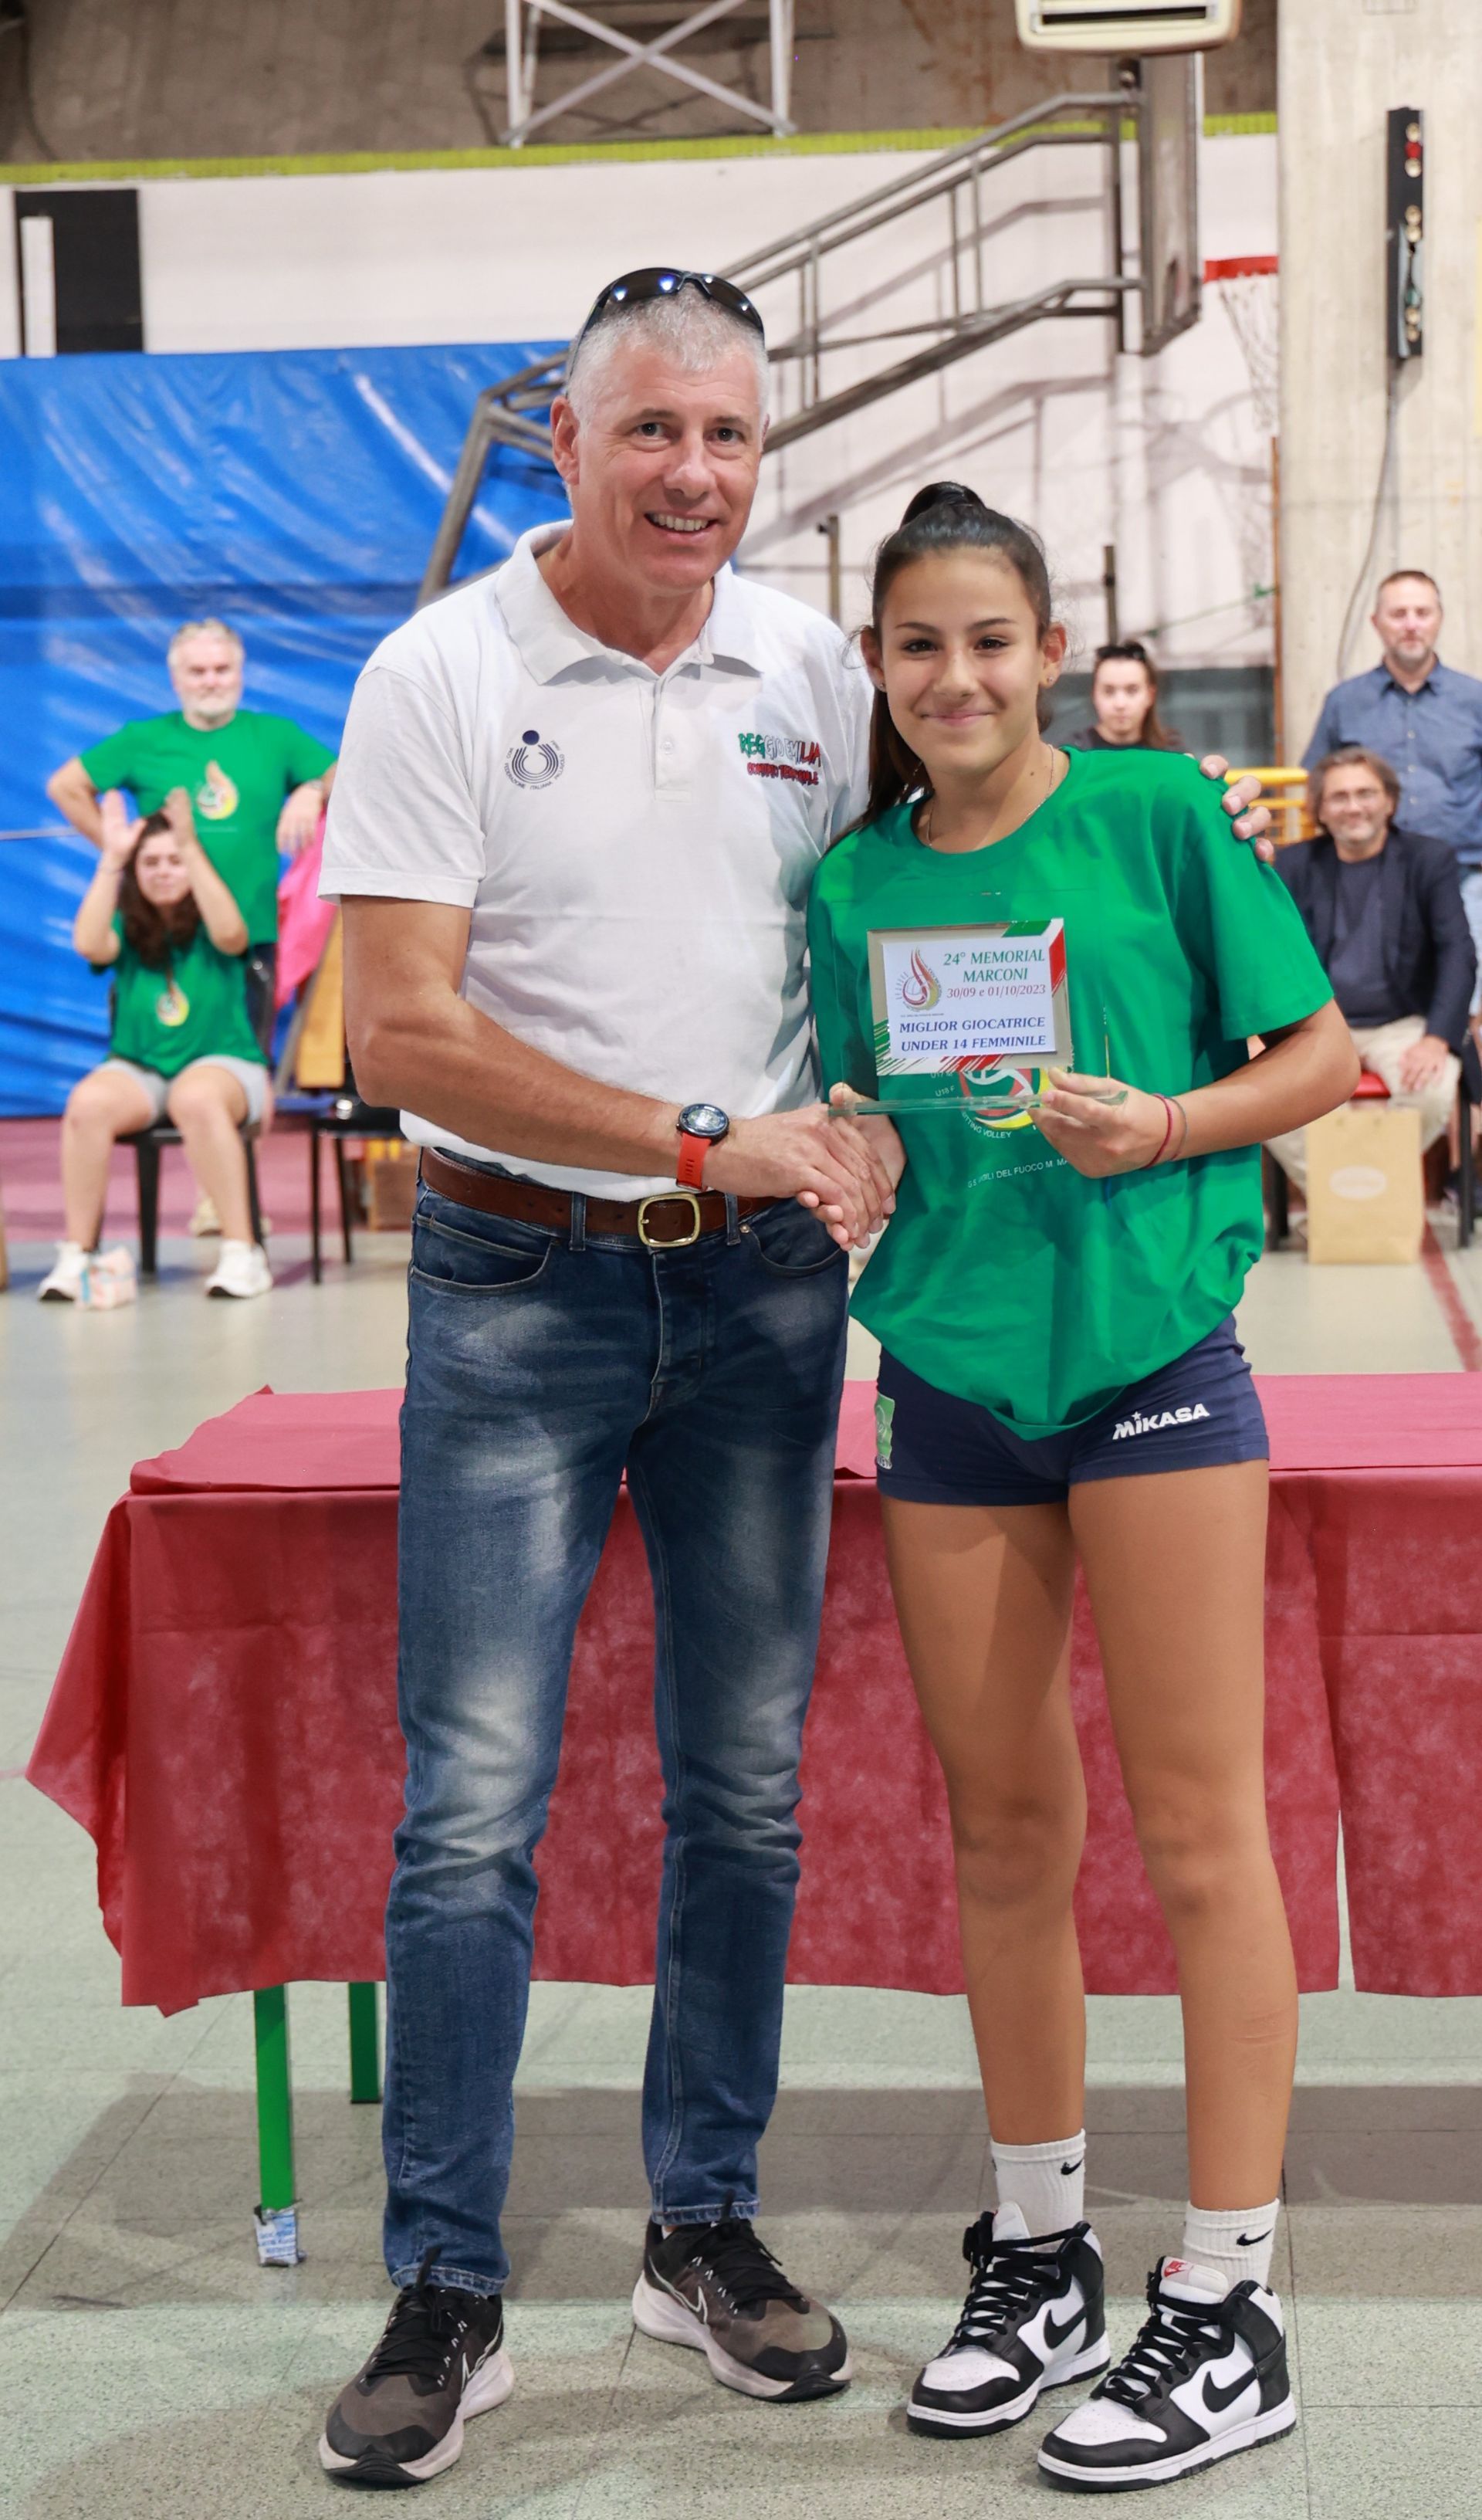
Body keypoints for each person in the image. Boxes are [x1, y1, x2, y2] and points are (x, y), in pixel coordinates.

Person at [312, 268, 1278, 2491]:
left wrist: (1066, 1075)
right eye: (652, 430)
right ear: (567, 436)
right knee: (472, 1803)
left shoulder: (816, 679)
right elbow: (401, 1033)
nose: (693, 473)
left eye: (731, 437)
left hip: (764, 1297)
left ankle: (704, 2228)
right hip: (518, 1282)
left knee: (743, 1791)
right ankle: (447, 2283)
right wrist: (700, 1141)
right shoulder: (441, 671)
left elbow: (949, 899)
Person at [807, 483, 1356, 2491]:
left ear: (1051, 651)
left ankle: (1230, 2300)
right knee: (1007, 1832)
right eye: (917, 645)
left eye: (989, 640)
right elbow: (866, 1096)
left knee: (1201, 1834)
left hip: (1151, 1373)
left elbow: (1321, 1058)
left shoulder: (1157, 815)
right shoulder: (854, 883)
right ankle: (1037, 2253)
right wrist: (858, 1143)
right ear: (878, 666)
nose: (955, 676)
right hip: (951, 1382)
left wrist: (1175, 1124)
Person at [46, 615, 338, 1027]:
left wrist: (313, 789)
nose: (211, 681)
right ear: (175, 679)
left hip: (248, 938)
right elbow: (66, 787)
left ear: (240, 674)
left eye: (222, 669)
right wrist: (124, 855)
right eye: (197, 672)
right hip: (160, 938)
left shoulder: (277, 737)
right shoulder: (143, 740)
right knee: (145, 1056)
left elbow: (347, 778)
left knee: (242, 1061)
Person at [40, 788, 273, 1303]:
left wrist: (190, 843)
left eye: (173, 860)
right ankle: (79, 1255)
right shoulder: (126, 923)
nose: (163, 871)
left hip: (225, 1065)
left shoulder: (216, 912)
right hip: (141, 1069)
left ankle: (243, 1251)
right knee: (87, 1104)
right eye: (150, 862)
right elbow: (87, 943)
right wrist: (112, 858)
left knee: (196, 1096)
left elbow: (233, 936)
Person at [1266, 745, 1475, 1188]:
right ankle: (1363, 1197)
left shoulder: (1428, 859)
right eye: (1339, 797)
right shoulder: (1293, 864)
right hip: (1316, 1025)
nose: (1354, 807)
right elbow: (1267, 957)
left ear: (1390, 801)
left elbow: (1457, 952)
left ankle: (1351, 1198)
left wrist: (1437, 1038)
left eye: (1366, 793)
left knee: (1433, 1090)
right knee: (1265, 1101)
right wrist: (1259, 1032)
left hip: (1401, 1023)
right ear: (1320, 810)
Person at [1303, 571, 1482, 985]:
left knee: (1470, 996)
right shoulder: (1344, 702)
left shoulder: (1475, 700)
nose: (1411, 624)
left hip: (1466, 876)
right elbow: (1319, 785)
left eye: (1423, 612)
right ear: (1376, 622)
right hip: (1370, 879)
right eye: (1399, 614)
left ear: (1439, 618)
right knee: (1374, 995)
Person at [1061, 637, 1184, 754]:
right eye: (1109, 691)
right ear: (1094, 696)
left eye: (1132, 691)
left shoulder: (1172, 753)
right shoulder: (1072, 754)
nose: (1120, 704)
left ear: (1150, 696)